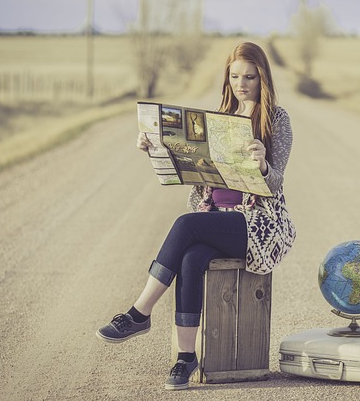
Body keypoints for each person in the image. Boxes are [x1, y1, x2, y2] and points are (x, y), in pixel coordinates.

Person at [96, 42, 296, 391]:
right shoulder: (218, 118)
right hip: (214, 215)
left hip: (257, 224)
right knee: (191, 258)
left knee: (185, 224)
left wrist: (263, 163)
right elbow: (189, 159)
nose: (241, 84)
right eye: (235, 76)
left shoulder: (276, 119)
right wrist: (154, 145)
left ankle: (139, 312)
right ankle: (185, 358)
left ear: (262, 78)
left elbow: (277, 180)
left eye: (249, 76)